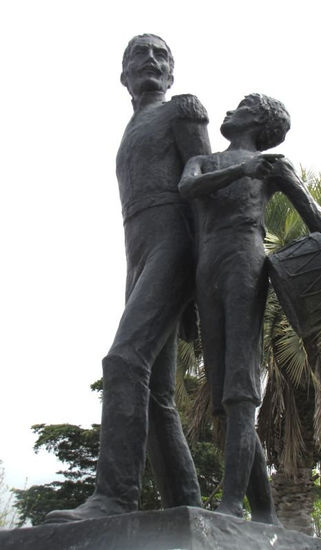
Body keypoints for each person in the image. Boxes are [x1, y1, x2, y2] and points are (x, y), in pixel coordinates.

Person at [45, 33, 211, 523]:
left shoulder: (182, 109)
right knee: (156, 390)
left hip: (173, 243)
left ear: (173, 72)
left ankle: (115, 497)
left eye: (161, 55)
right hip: (137, 250)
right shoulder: (131, 125)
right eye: (140, 54)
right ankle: (187, 505)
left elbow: (202, 190)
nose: (151, 61)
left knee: (123, 359)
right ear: (123, 75)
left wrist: (201, 282)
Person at [178, 93, 291, 521]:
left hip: (246, 260)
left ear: (257, 121)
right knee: (227, 397)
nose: (229, 110)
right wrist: (240, 169)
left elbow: (312, 213)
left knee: (241, 390)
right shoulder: (205, 162)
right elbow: (186, 187)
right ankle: (264, 511)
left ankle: (231, 506)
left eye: (242, 106)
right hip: (208, 268)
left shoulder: (272, 167)